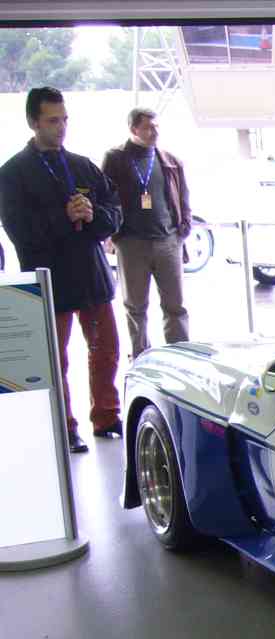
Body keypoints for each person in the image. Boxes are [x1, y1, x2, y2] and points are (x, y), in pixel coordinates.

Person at [0, 87, 123, 453]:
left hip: (92, 278)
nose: (61, 127)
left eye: (65, 119)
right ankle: (64, 425)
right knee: (56, 360)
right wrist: (63, 216)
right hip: (50, 280)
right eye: (53, 120)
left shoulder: (84, 165)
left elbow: (115, 212)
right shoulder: (12, 174)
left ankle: (106, 416)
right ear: (33, 122)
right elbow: (19, 231)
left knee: (106, 351)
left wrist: (93, 215)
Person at [101, 107, 192, 360]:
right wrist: (115, 234)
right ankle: (141, 355)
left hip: (168, 241)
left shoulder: (170, 160)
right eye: (148, 127)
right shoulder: (116, 158)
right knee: (136, 306)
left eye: (157, 126)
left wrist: (182, 230)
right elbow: (105, 195)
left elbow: (183, 197)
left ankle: (181, 355)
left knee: (175, 305)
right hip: (132, 244)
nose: (155, 132)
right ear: (134, 129)